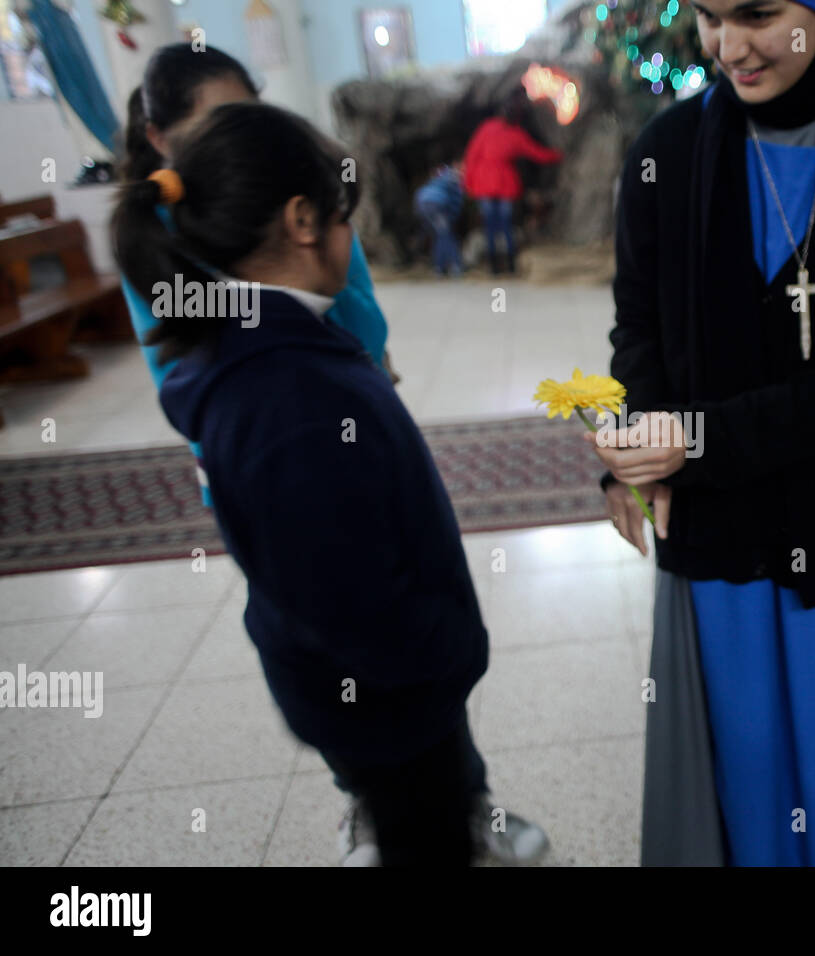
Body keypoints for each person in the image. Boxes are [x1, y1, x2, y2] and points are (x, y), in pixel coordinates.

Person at [117, 47, 547, 867]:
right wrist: (450, 652)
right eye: (344, 215)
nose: (353, 234)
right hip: (389, 703)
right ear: (302, 222)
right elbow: (353, 603)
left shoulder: (260, 346)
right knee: (423, 841)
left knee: (430, 816)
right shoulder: (292, 399)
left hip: (374, 697)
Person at [585, 0, 815, 865]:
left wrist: (696, 441)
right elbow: (637, 327)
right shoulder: (664, 154)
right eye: (709, 16)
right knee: (738, 763)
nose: (727, 47)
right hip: (715, 530)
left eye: (756, 13)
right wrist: (633, 451)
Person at [119, 44, 389, 507]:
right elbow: (175, 361)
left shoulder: (311, 205)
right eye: (219, 122)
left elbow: (363, 316)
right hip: (258, 447)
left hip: (347, 414)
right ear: (159, 139)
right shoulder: (156, 234)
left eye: (250, 114)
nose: (246, 136)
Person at [462, 88, 564, 275]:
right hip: (486, 183)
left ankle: (508, 265)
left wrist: (557, 155)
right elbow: (472, 156)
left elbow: (536, 153)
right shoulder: (488, 128)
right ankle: (495, 266)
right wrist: (468, 183)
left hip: (502, 184)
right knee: (492, 226)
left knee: (504, 224)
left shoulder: (515, 134)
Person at [414, 159, 466, 277]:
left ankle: (440, 267)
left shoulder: (440, 176)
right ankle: (454, 266)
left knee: (439, 235)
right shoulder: (455, 179)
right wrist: (453, 218)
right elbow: (456, 202)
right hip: (435, 205)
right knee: (446, 235)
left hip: (421, 203)